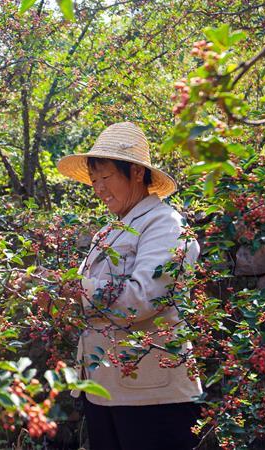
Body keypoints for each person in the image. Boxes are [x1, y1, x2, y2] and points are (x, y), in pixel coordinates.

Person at [56, 121, 203, 450]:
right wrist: (56, 298)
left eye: (105, 177)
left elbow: (140, 300)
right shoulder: (110, 232)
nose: (98, 189)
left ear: (136, 172)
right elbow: (92, 305)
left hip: (154, 396)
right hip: (107, 389)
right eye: (94, 180)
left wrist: (78, 289)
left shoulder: (165, 225)